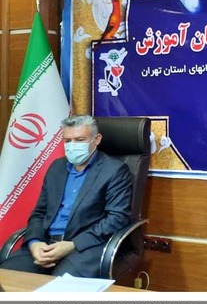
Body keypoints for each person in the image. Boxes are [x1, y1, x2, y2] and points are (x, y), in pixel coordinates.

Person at [0, 115, 132, 278]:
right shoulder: (57, 167)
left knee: (60, 286)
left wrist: (72, 245)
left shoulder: (114, 171)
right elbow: (39, 212)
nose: (72, 145)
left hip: (83, 247)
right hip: (45, 243)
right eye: (67, 140)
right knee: (7, 277)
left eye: (79, 140)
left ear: (97, 139)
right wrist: (35, 243)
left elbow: (117, 218)